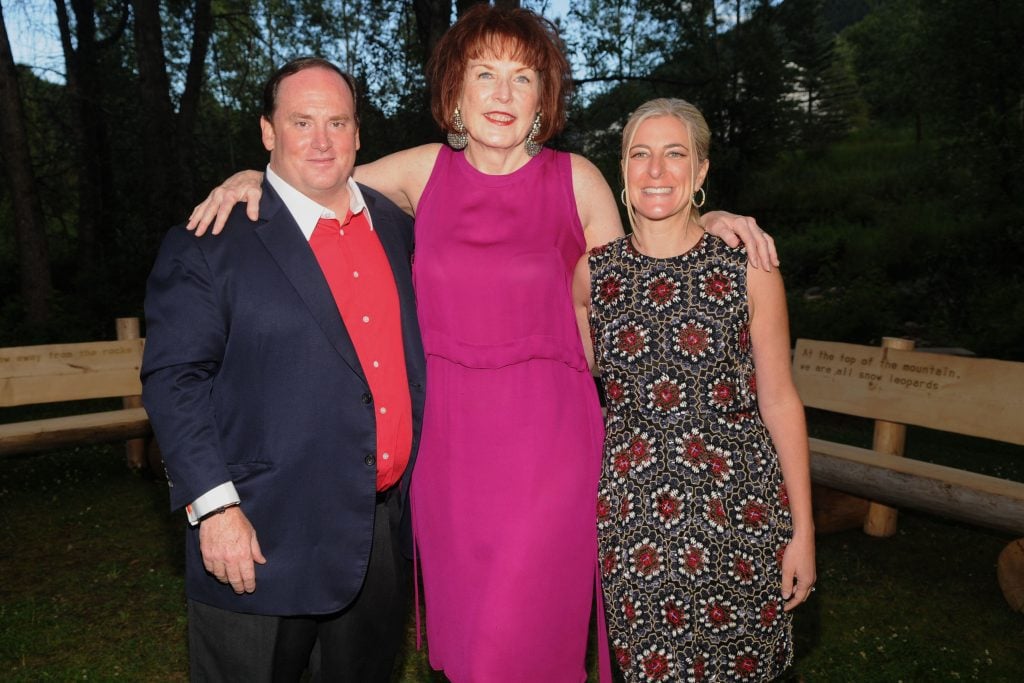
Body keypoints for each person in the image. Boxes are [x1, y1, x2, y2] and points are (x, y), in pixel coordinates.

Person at [186, 8, 777, 682]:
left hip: (549, 447)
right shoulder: (424, 171)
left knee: (515, 644)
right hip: (449, 450)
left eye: (521, 78)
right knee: (469, 652)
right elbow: (310, 184)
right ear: (455, 93)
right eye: (484, 74)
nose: (501, 93)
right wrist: (251, 179)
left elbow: (644, 273)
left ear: (541, 99)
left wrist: (710, 217)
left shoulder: (575, 179)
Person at [141, 57, 426, 682]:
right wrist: (214, 509)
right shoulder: (211, 239)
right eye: (302, 122)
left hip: (376, 532)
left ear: (358, 134)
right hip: (260, 533)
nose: (322, 140)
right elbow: (173, 379)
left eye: (337, 122)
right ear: (268, 132)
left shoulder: (399, 230)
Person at [573, 98, 815, 682]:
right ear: (623, 168)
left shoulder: (747, 267)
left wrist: (804, 529)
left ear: (701, 170)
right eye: (640, 154)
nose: (656, 171)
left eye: (675, 154)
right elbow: (578, 396)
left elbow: (779, 398)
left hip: (740, 512)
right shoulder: (592, 277)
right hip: (636, 525)